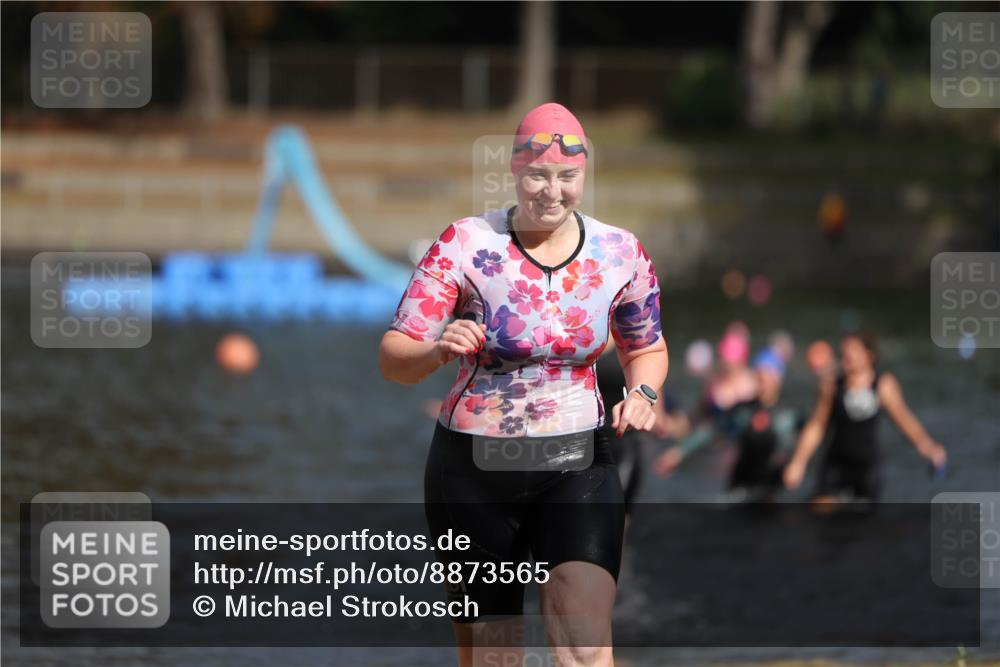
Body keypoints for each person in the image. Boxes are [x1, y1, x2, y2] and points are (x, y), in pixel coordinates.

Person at [379, 102, 668, 667]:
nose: (552, 191)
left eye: (567, 176)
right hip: (473, 472)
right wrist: (437, 349)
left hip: (577, 461)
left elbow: (646, 348)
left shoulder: (620, 252)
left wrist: (643, 393)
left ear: (583, 175)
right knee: (495, 658)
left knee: (585, 647)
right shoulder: (466, 244)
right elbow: (393, 358)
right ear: (514, 169)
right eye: (538, 175)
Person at [783, 331, 948, 504]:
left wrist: (928, 447)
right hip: (836, 465)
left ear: (869, 355)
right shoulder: (831, 384)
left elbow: (904, 421)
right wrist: (798, 462)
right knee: (820, 507)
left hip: (867, 468)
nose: (848, 355)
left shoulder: (882, 384)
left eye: (853, 350)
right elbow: (816, 425)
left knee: (863, 517)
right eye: (845, 350)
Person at [654, 347, 801, 502]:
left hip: (775, 485)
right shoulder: (743, 410)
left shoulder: (791, 412)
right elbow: (712, 429)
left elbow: (807, 439)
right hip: (743, 483)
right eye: (759, 376)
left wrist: (797, 463)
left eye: (767, 376)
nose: (762, 382)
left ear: (778, 379)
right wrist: (679, 452)